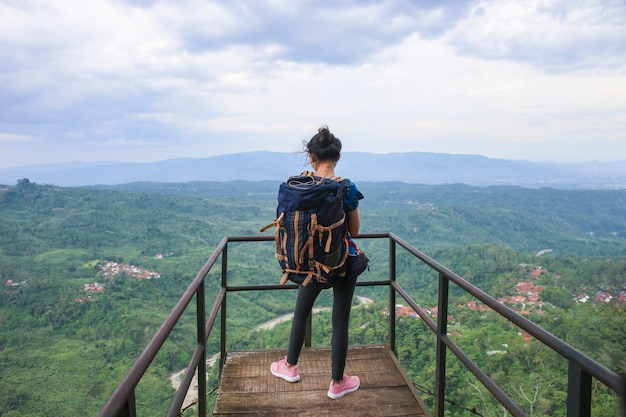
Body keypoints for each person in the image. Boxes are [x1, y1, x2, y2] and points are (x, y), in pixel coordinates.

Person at [269, 126, 365, 399]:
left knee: (301, 313)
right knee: (340, 322)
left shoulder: (300, 185)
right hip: (341, 261)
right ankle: (337, 383)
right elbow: (355, 231)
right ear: (337, 157)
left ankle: (289, 366)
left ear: (311, 156)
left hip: (309, 263)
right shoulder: (346, 186)